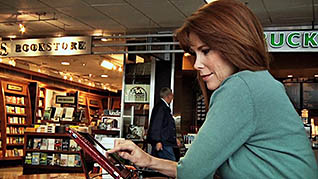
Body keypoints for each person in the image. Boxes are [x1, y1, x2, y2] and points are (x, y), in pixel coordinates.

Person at [108, 0, 318, 178]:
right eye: (194, 53)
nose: (197, 64)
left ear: (235, 45)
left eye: (206, 51)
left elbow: (192, 172)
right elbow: (194, 169)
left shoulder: (240, 87)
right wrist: (148, 160)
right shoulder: (259, 82)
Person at [147, 87, 177, 161]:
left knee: (158, 165)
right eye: (172, 95)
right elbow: (156, 125)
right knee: (171, 165)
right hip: (163, 143)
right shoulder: (161, 108)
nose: (172, 98)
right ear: (169, 96)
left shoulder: (162, 107)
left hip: (164, 142)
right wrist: (157, 141)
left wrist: (174, 139)